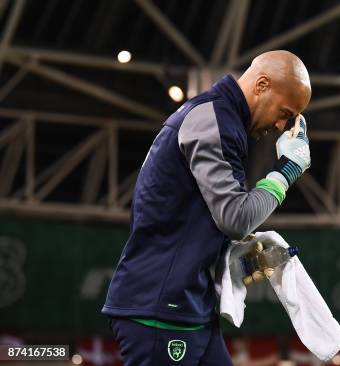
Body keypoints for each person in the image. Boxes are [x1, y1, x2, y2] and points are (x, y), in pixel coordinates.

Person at [101, 50, 312, 365]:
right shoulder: (212, 118)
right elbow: (236, 218)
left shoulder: (222, 120)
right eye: (284, 112)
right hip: (160, 310)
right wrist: (287, 172)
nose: (282, 125)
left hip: (190, 310)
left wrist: (242, 256)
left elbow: (201, 220)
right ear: (262, 84)